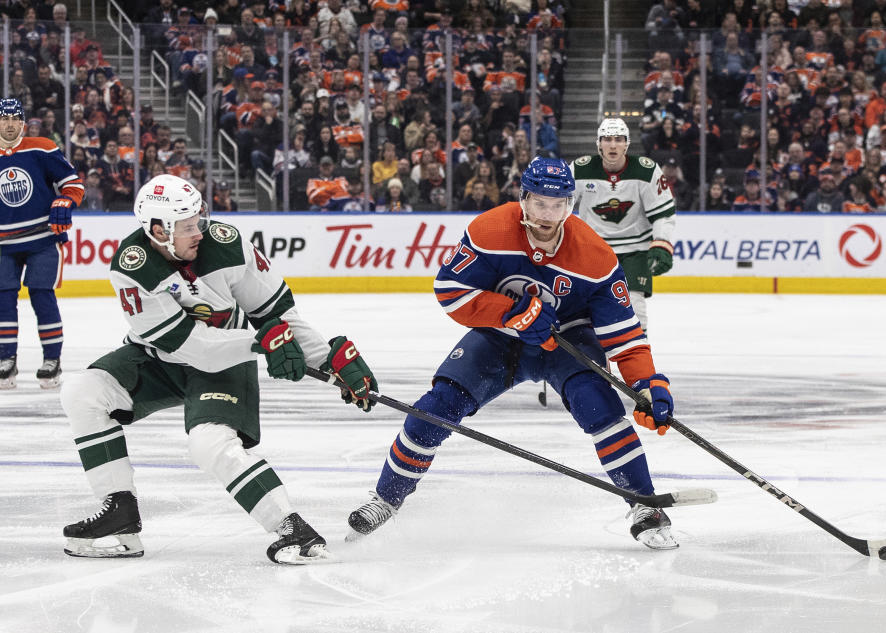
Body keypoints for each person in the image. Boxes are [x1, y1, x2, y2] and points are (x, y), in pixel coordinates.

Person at [345, 157, 679, 550]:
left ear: (570, 205)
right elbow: (450, 291)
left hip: (565, 341)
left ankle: (644, 503)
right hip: (500, 338)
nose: (548, 215)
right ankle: (386, 498)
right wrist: (510, 314)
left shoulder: (596, 257)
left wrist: (647, 383)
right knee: (434, 408)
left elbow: (624, 336)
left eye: (559, 205)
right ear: (523, 199)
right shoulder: (489, 231)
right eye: (540, 203)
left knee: (601, 409)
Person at [58, 174, 379, 564]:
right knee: (82, 393)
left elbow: (275, 314)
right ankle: (120, 515)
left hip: (224, 363)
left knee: (210, 444)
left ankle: (293, 529)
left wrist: (328, 359)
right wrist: (259, 343)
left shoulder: (228, 245)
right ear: (158, 230)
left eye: (199, 220)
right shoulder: (133, 267)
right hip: (160, 357)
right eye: (187, 226)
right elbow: (189, 345)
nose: (199, 232)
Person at [0, 98, 84, 389]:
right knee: (3, 298)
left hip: (42, 239)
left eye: (15, 118)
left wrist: (64, 201)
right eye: (4, 118)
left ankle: (52, 359)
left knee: (41, 294)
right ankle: (5, 358)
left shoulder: (42, 147)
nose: (9, 124)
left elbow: (73, 184)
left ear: (23, 122)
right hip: (3, 244)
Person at [569, 118, 676, 330]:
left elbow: (663, 213)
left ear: (627, 143)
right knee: (587, 307)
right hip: (594, 249)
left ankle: (639, 359)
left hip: (635, 250)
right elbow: (558, 209)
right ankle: (597, 357)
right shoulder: (580, 169)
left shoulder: (647, 170)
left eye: (618, 139)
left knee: (635, 306)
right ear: (598, 143)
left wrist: (662, 243)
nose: (613, 145)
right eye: (607, 139)